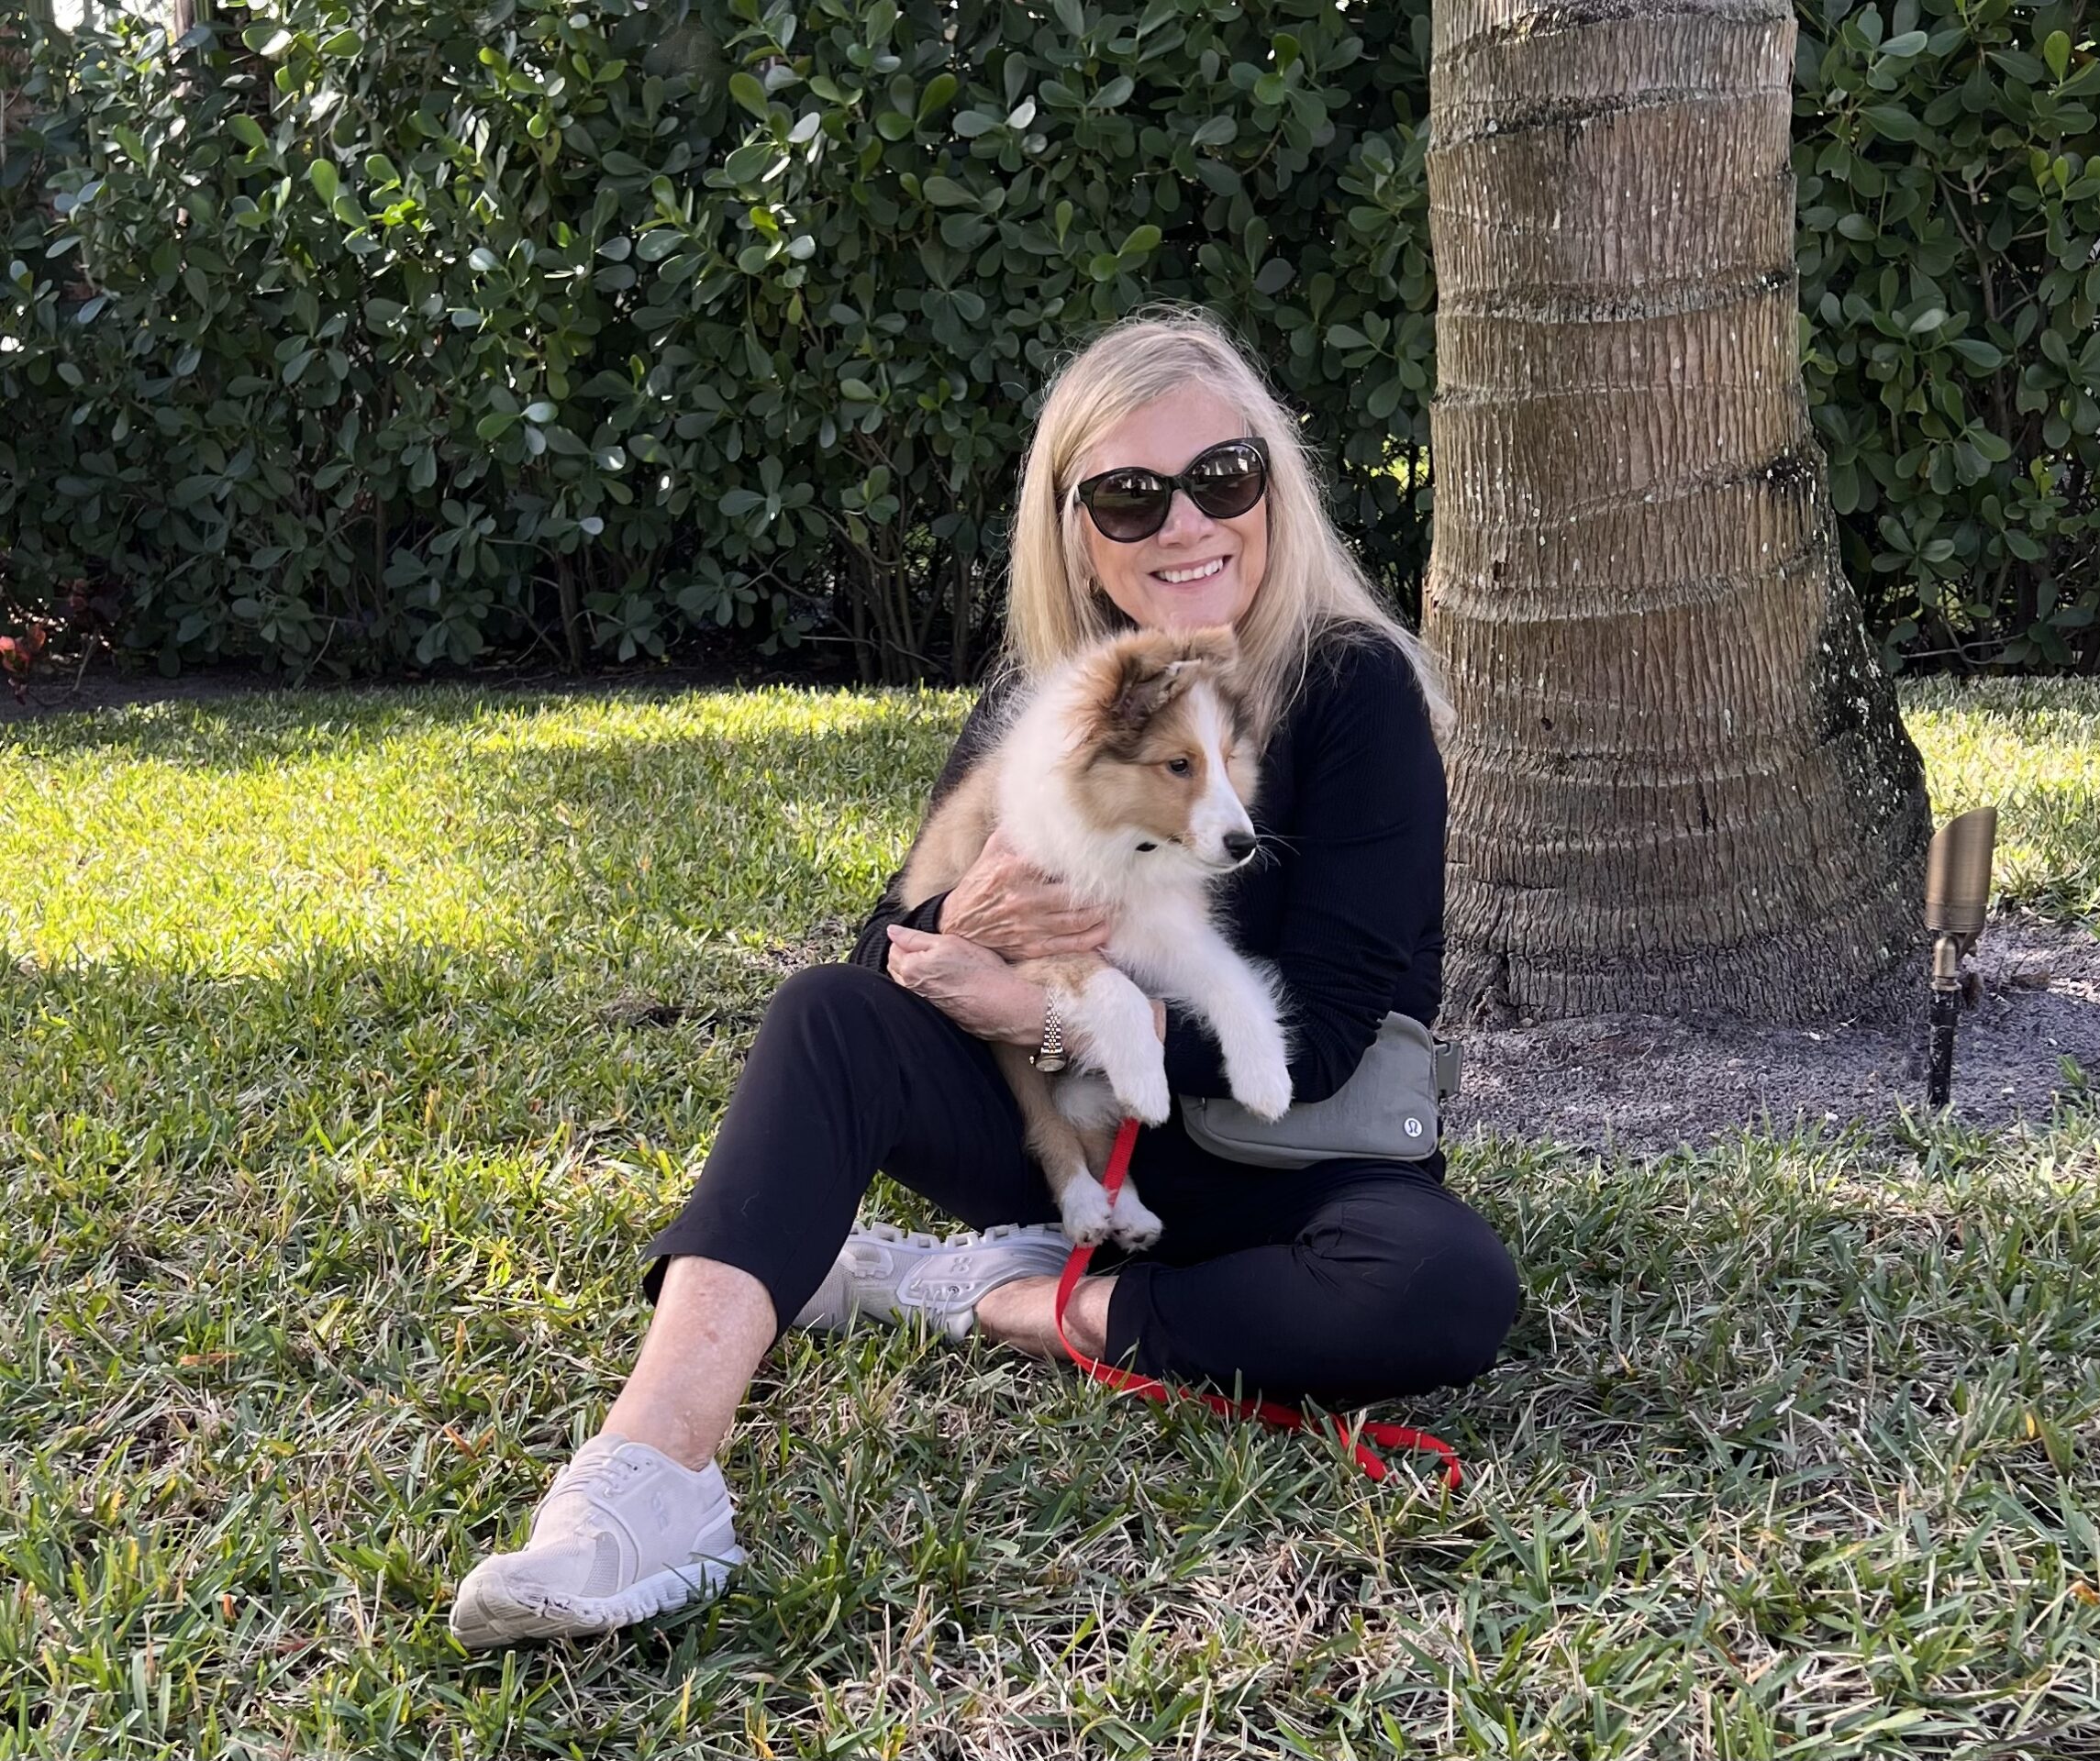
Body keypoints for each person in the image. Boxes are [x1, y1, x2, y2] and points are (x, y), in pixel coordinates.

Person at [449, 308, 1521, 1650]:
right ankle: (644, 1484)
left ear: (1273, 486)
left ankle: (993, 1295)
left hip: (1291, 1166)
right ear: (1077, 529)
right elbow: (882, 964)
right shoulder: (1051, 699)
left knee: (1444, 1286)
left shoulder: (1353, 688)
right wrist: (967, 910)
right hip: (1069, 1145)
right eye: (1132, 498)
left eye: (1223, 478)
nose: (1187, 526)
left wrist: (1051, 1012)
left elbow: (1331, 1026)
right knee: (822, 1021)